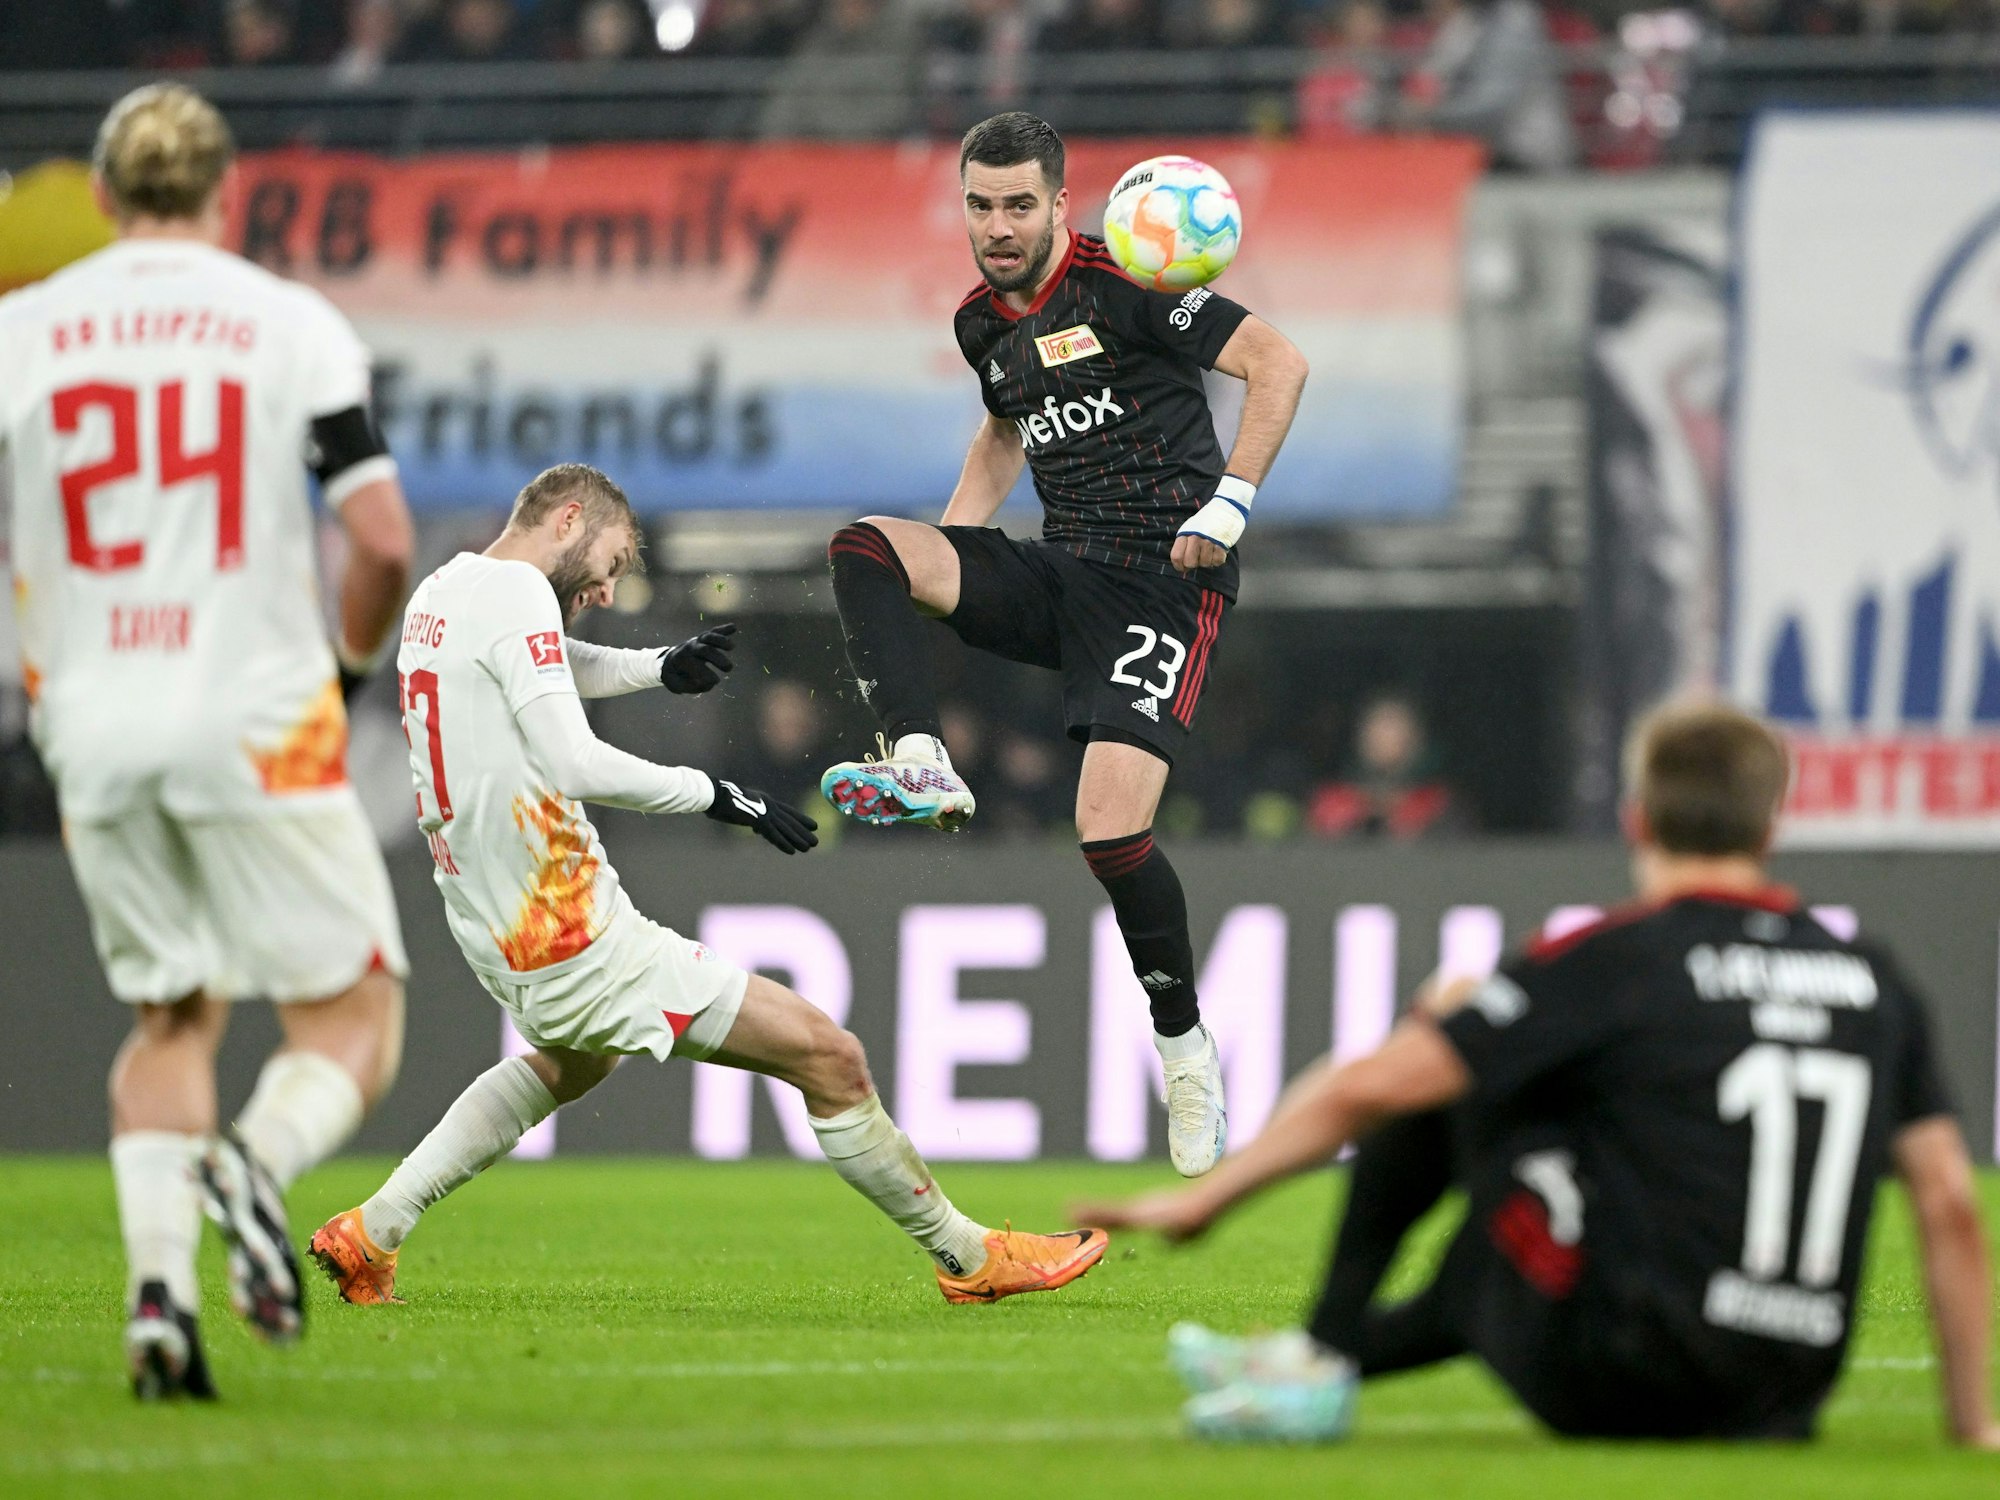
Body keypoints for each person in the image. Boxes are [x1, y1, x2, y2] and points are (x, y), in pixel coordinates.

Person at [1084, 702, 1998, 1446]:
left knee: (1447, 1044)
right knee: (1549, 1136)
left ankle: (1322, 1355)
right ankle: (1317, 1360)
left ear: (1637, 819)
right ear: (1771, 825)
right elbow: (1949, 1203)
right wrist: (1973, 1427)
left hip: (1617, 1373)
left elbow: (1371, 1089)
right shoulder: (1874, 980)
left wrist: (1208, 1200)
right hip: (1780, 1397)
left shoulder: (1614, 959)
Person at [309, 463, 1107, 1309]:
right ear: (569, 516)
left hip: (494, 918)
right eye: (611, 561)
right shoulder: (512, 598)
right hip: (571, 926)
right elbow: (573, 761)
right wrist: (720, 794)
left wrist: (656, 667)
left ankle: (373, 1230)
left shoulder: (449, 590)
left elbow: (538, 665)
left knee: (573, 1063)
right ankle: (969, 1257)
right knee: (830, 1058)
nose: (609, 589)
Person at [0, 84, 416, 1398]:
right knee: (352, 1009)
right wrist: (345, 672)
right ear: (227, 194)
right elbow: (385, 541)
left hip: (94, 718)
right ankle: (255, 1164)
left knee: (170, 1013)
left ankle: (160, 1302)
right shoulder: (287, 324)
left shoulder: (21, 331)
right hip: (252, 708)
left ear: (109, 199)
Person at [818, 112, 1309, 1178]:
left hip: (1163, 582)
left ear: (1059, 202)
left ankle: (1182, 1046)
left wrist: (1228, 507)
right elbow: (1004, 427)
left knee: (1106, 831)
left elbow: (1277, 364)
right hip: (1061, 565)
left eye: (1018, 206)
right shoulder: (978, 323)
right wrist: (948, 556)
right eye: (979, 207)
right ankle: (919, 761)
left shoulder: (1129, 281)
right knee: (866, 549)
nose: (997, 227)